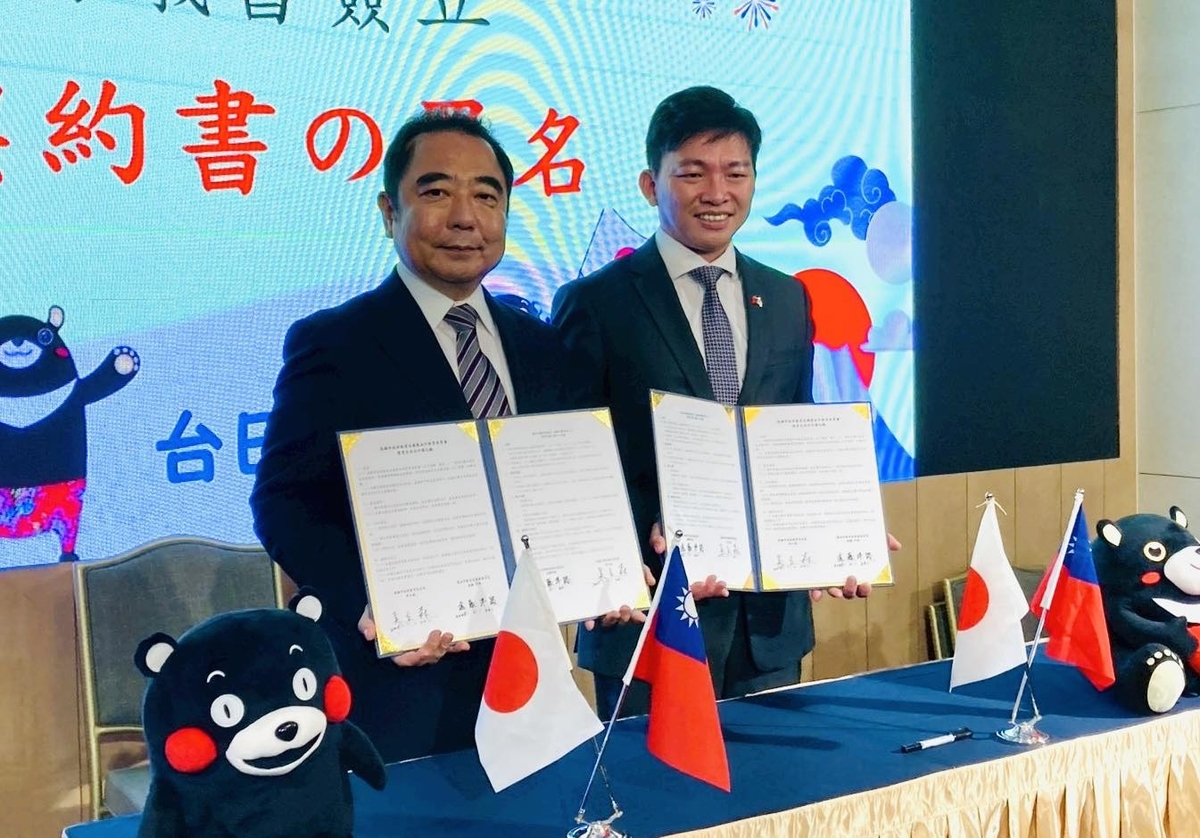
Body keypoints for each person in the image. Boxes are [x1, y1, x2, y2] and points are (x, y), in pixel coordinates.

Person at [250, 111, 596, 763]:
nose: (465, 218)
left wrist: (609, 566)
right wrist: (367, 604)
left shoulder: (542, 346)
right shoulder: (336, 342)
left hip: (533, 675)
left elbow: (565, 487)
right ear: (390, 212)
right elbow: (284, 502)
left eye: (486, 196)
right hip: (403, 684)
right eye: (437, 191)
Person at [553, 86, 891, 718]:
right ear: (650, 185)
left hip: (770, 628)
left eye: (735, 173)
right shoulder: (595, 303)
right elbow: (572, 462)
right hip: (652, 621)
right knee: (652, 783)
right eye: (692, 173)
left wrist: (838, 533)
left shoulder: (787, 297)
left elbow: (794, 432)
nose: (717, 192)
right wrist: (638, 535)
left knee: (774, 779)